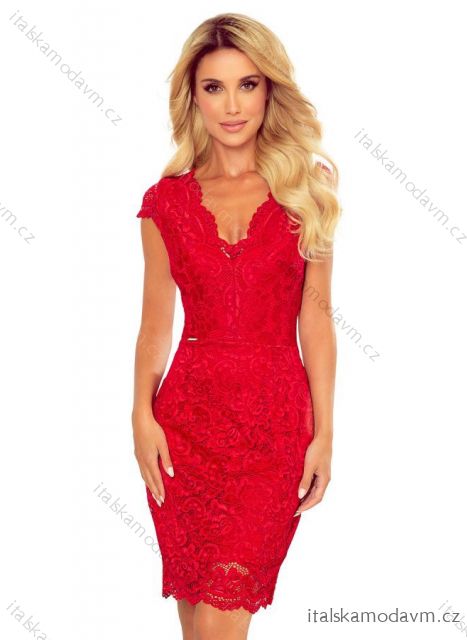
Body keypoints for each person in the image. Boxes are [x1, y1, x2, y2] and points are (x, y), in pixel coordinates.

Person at [132, 12, 341, 640]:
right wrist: (140, 415)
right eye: (214, 87)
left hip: (273, 432)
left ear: (269, 90)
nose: (232, 105)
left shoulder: (308, 190)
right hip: (184, 429)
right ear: (193, 97)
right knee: (198, 622)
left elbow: (317, 317)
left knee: (222, 617)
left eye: (247, 85)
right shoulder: (165, 202)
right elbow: (154, 324)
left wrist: (325, 434)